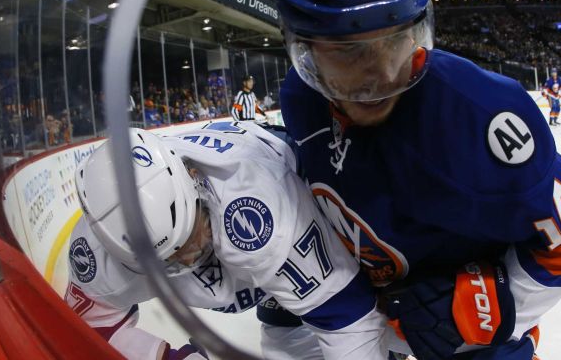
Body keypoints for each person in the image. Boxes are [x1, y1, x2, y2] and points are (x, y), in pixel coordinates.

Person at [271, 0, 561, 359]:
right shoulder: (301, 99)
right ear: (305, 49)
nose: (382, 72)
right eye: (349, 50)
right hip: (362, 321)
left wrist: (487, 310)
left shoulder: (479, 116)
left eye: (395, 40)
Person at [66, 124, 388, 360]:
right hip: (269, 251)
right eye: (171, 261)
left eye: (190, 238)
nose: (191, 259)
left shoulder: (260, 212)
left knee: (393, 311)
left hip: (302, 195)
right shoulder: (98, 258)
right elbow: (93, 328)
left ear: (194, 178)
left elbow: (350, 323)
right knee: (289, 346)